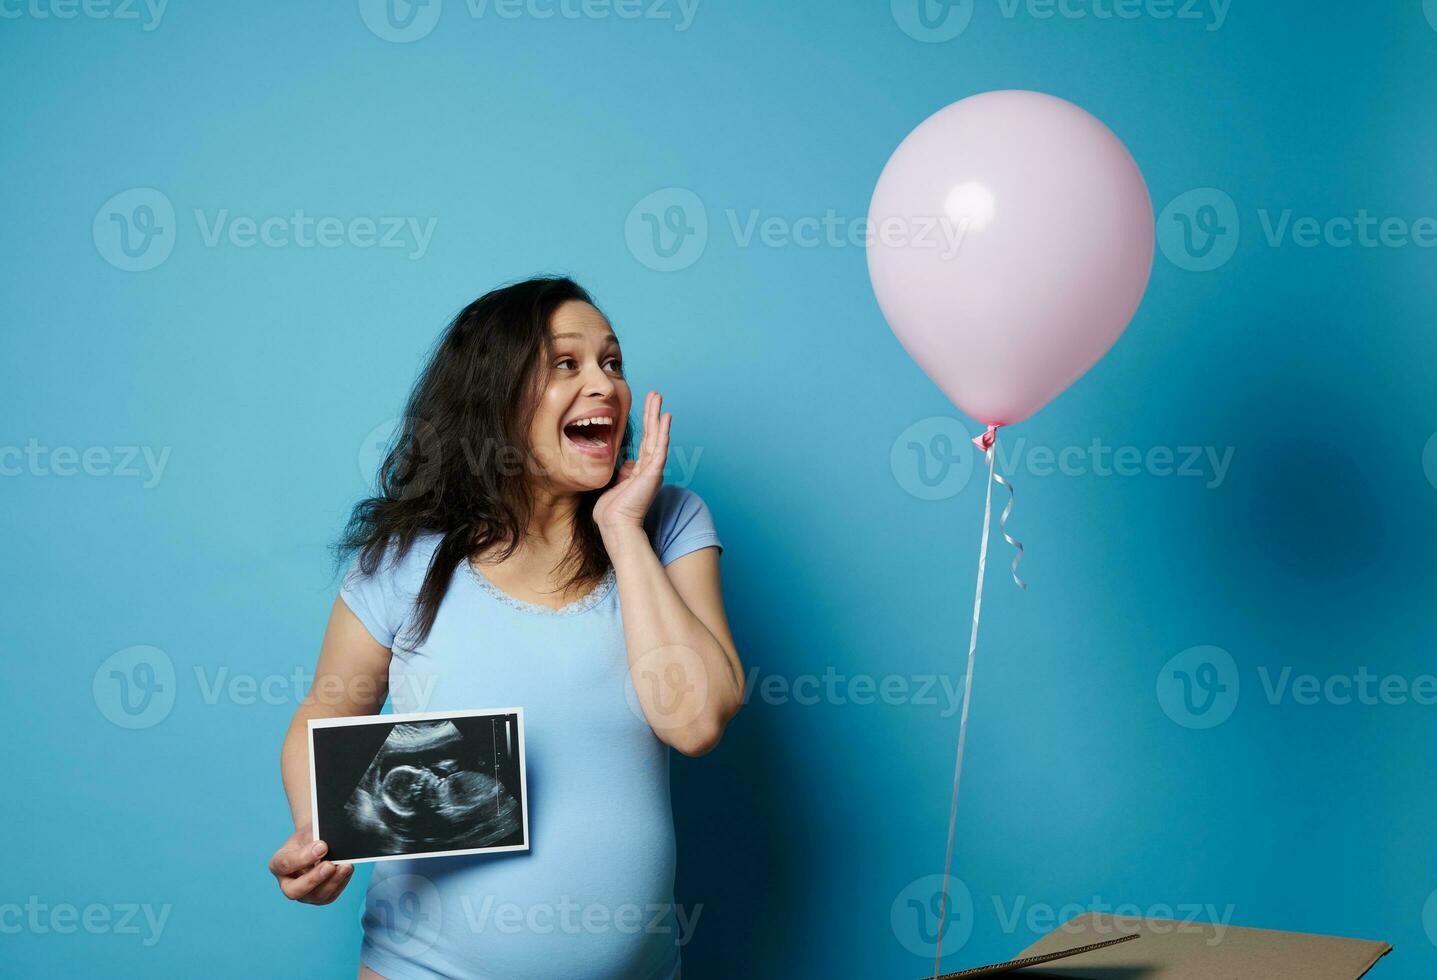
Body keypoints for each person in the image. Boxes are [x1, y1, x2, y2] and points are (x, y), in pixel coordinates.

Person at [267, 276, 743, 979]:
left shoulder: (669, 522)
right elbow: (329, 707)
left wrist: (622, 528)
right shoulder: (406, 557)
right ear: (494, 397)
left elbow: (694, 721)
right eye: (565, 364)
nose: (604, 385)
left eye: (611, 363)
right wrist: (319, 832)